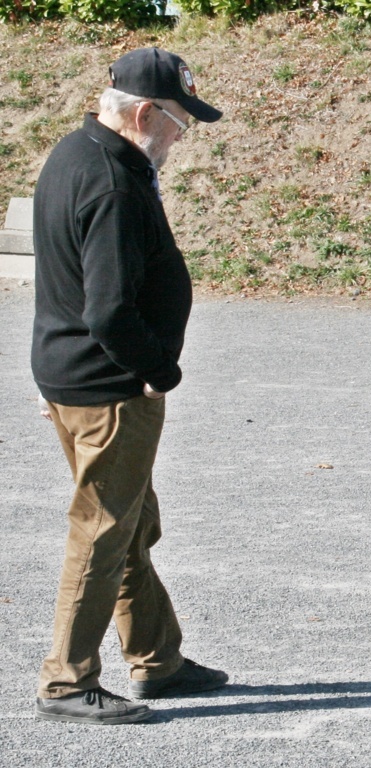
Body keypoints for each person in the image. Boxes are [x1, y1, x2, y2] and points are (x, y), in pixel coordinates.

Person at [31, 48, 229, 725]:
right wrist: (159, 369)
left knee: (130, 524)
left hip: (76, 375)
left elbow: (65, 281)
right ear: (144, 113)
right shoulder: (113, 182)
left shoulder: (79, 154)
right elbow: (108, 310)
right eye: (179, 122)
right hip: (110, 389)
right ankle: (65, 681)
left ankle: (157, 659)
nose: (182, 136)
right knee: (103, 529)